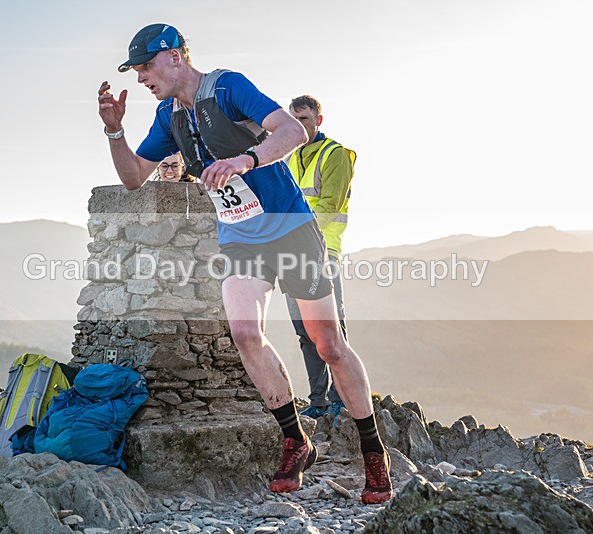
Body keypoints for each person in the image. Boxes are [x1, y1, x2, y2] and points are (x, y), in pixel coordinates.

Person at [97, 23, 391, 504]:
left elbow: (292, 131)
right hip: (240, 237)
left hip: (291, 229)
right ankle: (296, 439)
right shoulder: (168, 116)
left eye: (146, 66)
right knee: (245, 333)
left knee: (329, 343)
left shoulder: (227, 87)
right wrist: (114, 130)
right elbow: (133, 178)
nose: (142, 77)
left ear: (173, 56)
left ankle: (372, 452)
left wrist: (245, 160)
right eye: (136, 70)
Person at [285, 95, 354, 420]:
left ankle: (343, 398)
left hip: (323, 252)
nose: (300, 126)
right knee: (304, 331)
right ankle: (319, 402)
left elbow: (330, 205)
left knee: (330, 330)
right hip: (289, 255)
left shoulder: (335, 155)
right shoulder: (289, 157)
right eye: (294, 119)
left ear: (318, 120)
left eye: (305, 119)